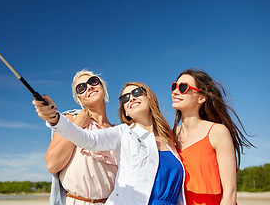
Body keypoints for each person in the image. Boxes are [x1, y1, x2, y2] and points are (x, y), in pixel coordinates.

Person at [33, 82, 186, 205]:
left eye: (137, 92)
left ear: (150, 98)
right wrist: (55, 118)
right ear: (125, 111)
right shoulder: (123, 133)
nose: (131, 98)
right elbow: (87, 139)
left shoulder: (172, 140)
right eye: (124, 98)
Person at [170, 69, 255, 205]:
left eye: (183, 87)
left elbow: (230, 192)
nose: (175, 91)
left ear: (201, 97)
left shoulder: (217, 132)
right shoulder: (169, 136)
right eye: (174, 86)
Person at [45, 70, 118, 205]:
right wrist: (77, 126)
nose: (89, 87)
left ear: (103, 87)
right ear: (79, 99)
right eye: (81, 88)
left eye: (93, 81)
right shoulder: (70, 121)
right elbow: (52, 164)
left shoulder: (118, 132)